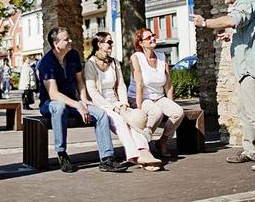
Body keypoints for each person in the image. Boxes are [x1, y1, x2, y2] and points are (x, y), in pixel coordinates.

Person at [191, 0, 255, 171]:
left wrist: (205, 23)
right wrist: (232, 35)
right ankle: (250, 151)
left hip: (252, 69)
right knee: (245, 111)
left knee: (254, 112)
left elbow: (233, 20)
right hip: (247, 69)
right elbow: (246, 30)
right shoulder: (249, 4)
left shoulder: (246, 3)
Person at [37, 26, 127, 173]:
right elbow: (53, 94)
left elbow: (79, 81)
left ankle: (107, 159)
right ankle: (62, 154)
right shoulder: (47, 62)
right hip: (49, 104)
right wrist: (78, 105)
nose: (71, 41)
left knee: (101, 114)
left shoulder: (73, 55)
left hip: (73, 102)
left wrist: (84, 99)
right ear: (55, 43)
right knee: (59, 106)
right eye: (66, 39)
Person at [84, 32, 162, 170]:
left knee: (135, 120)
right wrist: (112, 108)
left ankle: (145, 152)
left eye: (111, 42)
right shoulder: (90, 64)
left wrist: (124, 103)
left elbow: (121, 85)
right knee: (120, 121)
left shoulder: (114, 62)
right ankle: (135, 157)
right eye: (108, 42)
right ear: (99, 44)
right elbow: (93, 92)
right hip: (101, 105)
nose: (111, 45)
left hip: (117, 102)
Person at [128, 28, 184, 158]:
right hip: (141, 97)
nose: (153, 38)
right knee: (156, 113)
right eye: (148, 38)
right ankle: (144, 146)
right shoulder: (136, 57)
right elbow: (140, 85)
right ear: (141, 43)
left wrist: (170, 103)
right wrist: (139, 107)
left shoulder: (162, 57)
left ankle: (162, 142)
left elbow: (168, 84)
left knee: (178, 112)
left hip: (158, 97)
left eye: (153, 36)